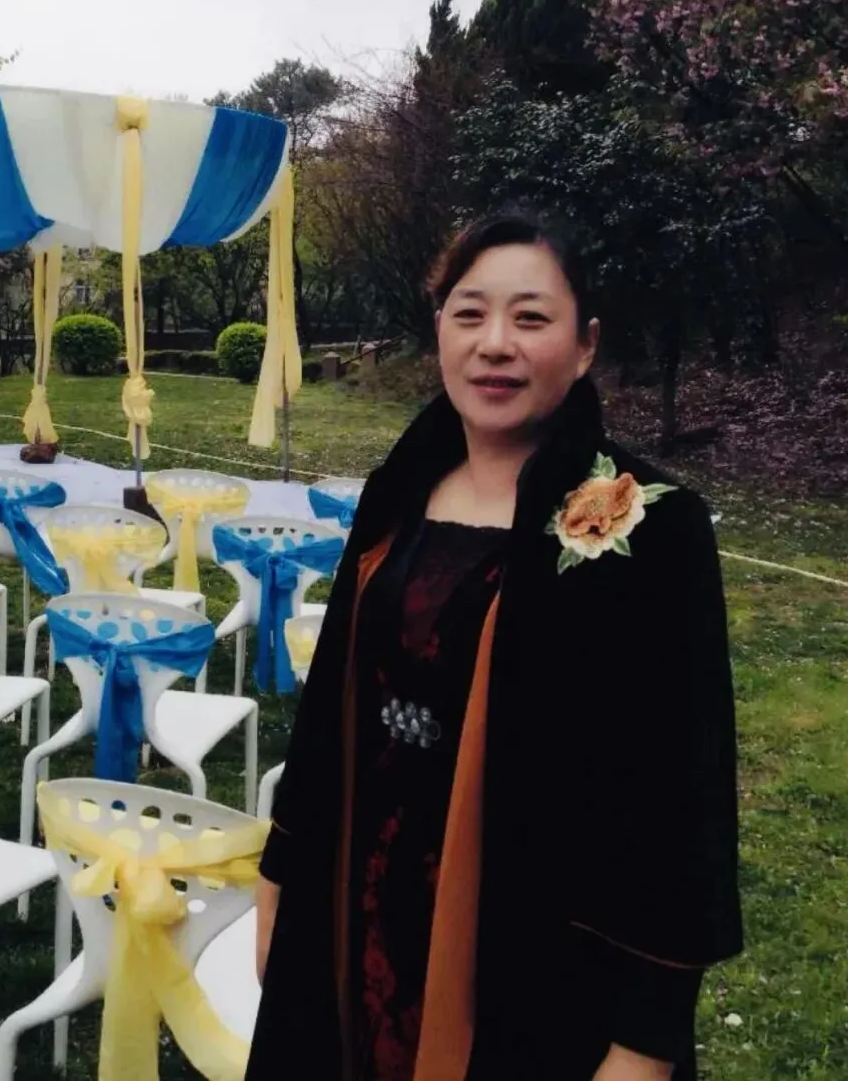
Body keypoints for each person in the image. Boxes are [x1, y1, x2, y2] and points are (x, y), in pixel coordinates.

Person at [245, 202, 743, 1081]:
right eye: (469, 314)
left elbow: (682, 795)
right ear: (439, 329)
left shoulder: (651, 526)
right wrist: (279, 876)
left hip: (532, 957)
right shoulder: (400, 491)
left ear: (585, 345)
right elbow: (330, 707)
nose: (496, 344)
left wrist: (647, 1040)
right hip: (360, 901)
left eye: (532, 318)